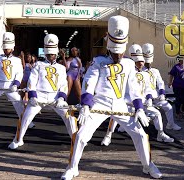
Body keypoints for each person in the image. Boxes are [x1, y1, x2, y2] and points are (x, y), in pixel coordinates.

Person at [61, 15, 162, 180]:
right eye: (115, 53)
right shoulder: (98, 62)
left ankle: (148, 165)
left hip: (120, 105)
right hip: (100, 104)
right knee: (81, 135)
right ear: (109, 47)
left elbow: (134, 88)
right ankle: (72, 167)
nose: (118, 56)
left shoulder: (129, 64)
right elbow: (89, 83)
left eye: (120, 52)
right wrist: (86, 105)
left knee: (141, 135)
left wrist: (139, 108)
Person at [8, 33, 77, 149]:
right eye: (49, 54)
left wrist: (61, 98)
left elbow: (64, 85)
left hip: (55, 98)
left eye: (53, 54)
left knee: (69, 117)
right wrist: (33, 96)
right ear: (45, 53)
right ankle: (18, 139)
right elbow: (32, 82)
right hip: (39, 97)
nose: (51, 56)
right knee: (25, 116)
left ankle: (75, 140)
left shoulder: (61, 68)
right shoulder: (38, 65)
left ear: (56, 54)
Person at [101, 44, 174, 147]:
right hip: (126, 101)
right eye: (138, 61)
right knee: (115, 115)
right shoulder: (127, 71)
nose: (141, 63)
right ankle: (108, 135)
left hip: (141, 102)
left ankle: (160, 134)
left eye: (142, 61)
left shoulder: (145, 73)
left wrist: (149, 98)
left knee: (157, 114)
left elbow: (148, 87)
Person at [142, 43, 181, 130]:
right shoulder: (140, 72)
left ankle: (171, 124)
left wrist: (162, 93)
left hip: (155, 96)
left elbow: (160, 82)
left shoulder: (155, 71)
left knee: (168, 107)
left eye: (149, 62)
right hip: (144, 97)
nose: (148, 64)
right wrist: (147, 97)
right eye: (146, 63)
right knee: (151, 115)